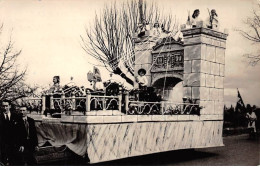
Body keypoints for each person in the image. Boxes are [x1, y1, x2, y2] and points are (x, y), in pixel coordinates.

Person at [0, 101, 20, 165]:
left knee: (14, 162)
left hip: (14, 144)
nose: (5, 108)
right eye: (3, 106)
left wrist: (21, 144)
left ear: (10, 106)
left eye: (6, 106)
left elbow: (20, 132)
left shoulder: (16, 116)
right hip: (2, 145)